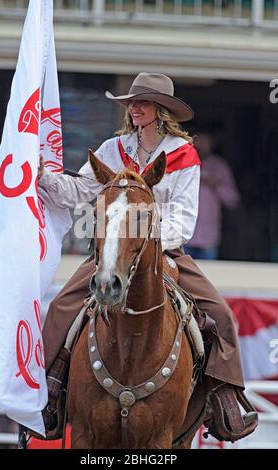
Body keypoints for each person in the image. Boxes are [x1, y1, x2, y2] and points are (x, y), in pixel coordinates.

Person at [37, 72, 258, 443]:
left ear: (160, 110)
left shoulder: (183, 154)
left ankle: (227, 400)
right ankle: (49, 393)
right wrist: (43, 178)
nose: (133, 108)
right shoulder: (112, 149)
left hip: (164, 252)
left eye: (141, 102)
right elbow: (79, 191)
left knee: (221, 316)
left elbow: (184, 219)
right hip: (113, 251)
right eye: (131, 103)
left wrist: (147, 242)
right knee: (61, 306)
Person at [184, 133, 240, 260]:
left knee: (208, 276)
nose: (202, 146)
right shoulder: (182, 163)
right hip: (184, 236)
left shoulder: (219, 167)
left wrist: (216, 185)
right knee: (182, 276)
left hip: (208, 239)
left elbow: (233, 200)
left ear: (211, 144)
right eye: (199, 141)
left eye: (205, 142)